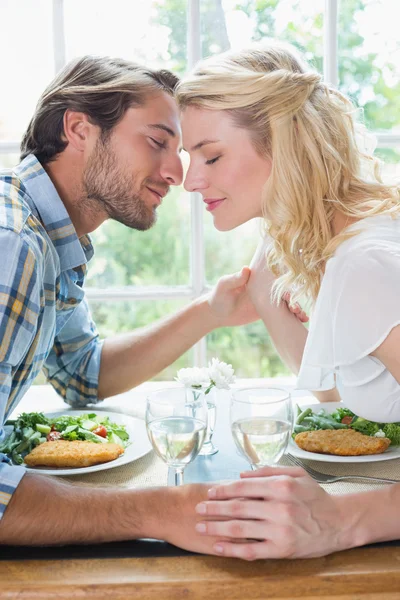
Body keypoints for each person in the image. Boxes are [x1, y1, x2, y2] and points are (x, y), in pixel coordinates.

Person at [0, 54, 272, 549]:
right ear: (80, 129)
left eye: (183, 152)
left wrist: (211, 312)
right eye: (156, 142)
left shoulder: (50, 239)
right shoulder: (13, 243)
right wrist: (159, 511)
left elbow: (83, 374)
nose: (177, 173)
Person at [175, 40, 400, 559]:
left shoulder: (362, 264)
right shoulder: (333, 235)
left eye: (211, 155)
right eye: (191, 157)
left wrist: (341, 522)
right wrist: (266, 268)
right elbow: (339, 396)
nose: (190, 180)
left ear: (284, 146)